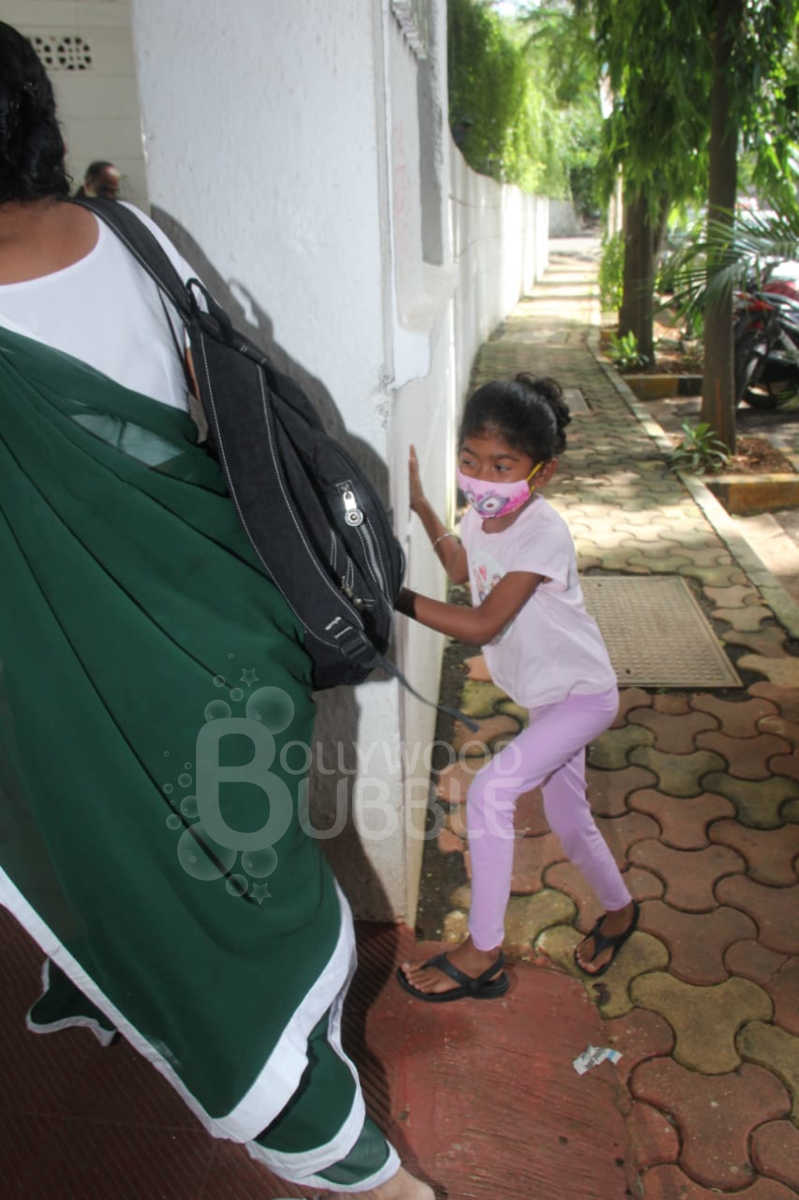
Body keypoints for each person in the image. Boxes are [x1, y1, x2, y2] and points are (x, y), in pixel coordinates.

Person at [0, 22, 431, 1200]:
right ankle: (110, 993)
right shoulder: (137, 235)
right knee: (229, 857)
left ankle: (343, 1150)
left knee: (146, 868)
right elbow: (206, 414)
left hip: (66, 665)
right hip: (223, 623)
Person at [396, 374, 639, 1001]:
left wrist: (391, 599)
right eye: (471, 461)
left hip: (583, 696)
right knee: (566, 813)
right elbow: (460, 566)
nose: (482, 478)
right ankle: (620, 911)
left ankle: (483, 951)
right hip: (548, 697)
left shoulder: (542, 532)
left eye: (502, 465)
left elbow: (482, 621)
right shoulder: (483, 515)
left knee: (490, 794)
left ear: (542, 472)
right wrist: (424, 507)